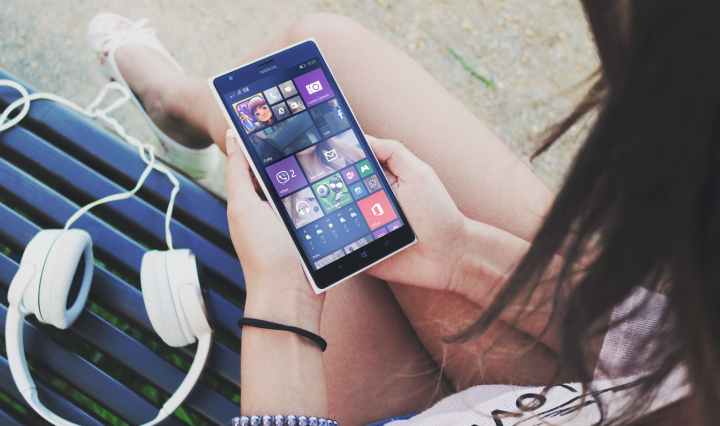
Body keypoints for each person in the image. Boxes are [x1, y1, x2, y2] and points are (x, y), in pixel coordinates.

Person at [87, 1, 708, 424]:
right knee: (318, 61)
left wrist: (282, 302)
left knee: (294, 155)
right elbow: (674, 348)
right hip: (586, 388)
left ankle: (184, 108)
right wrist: (461, 254)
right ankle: (188, 107)